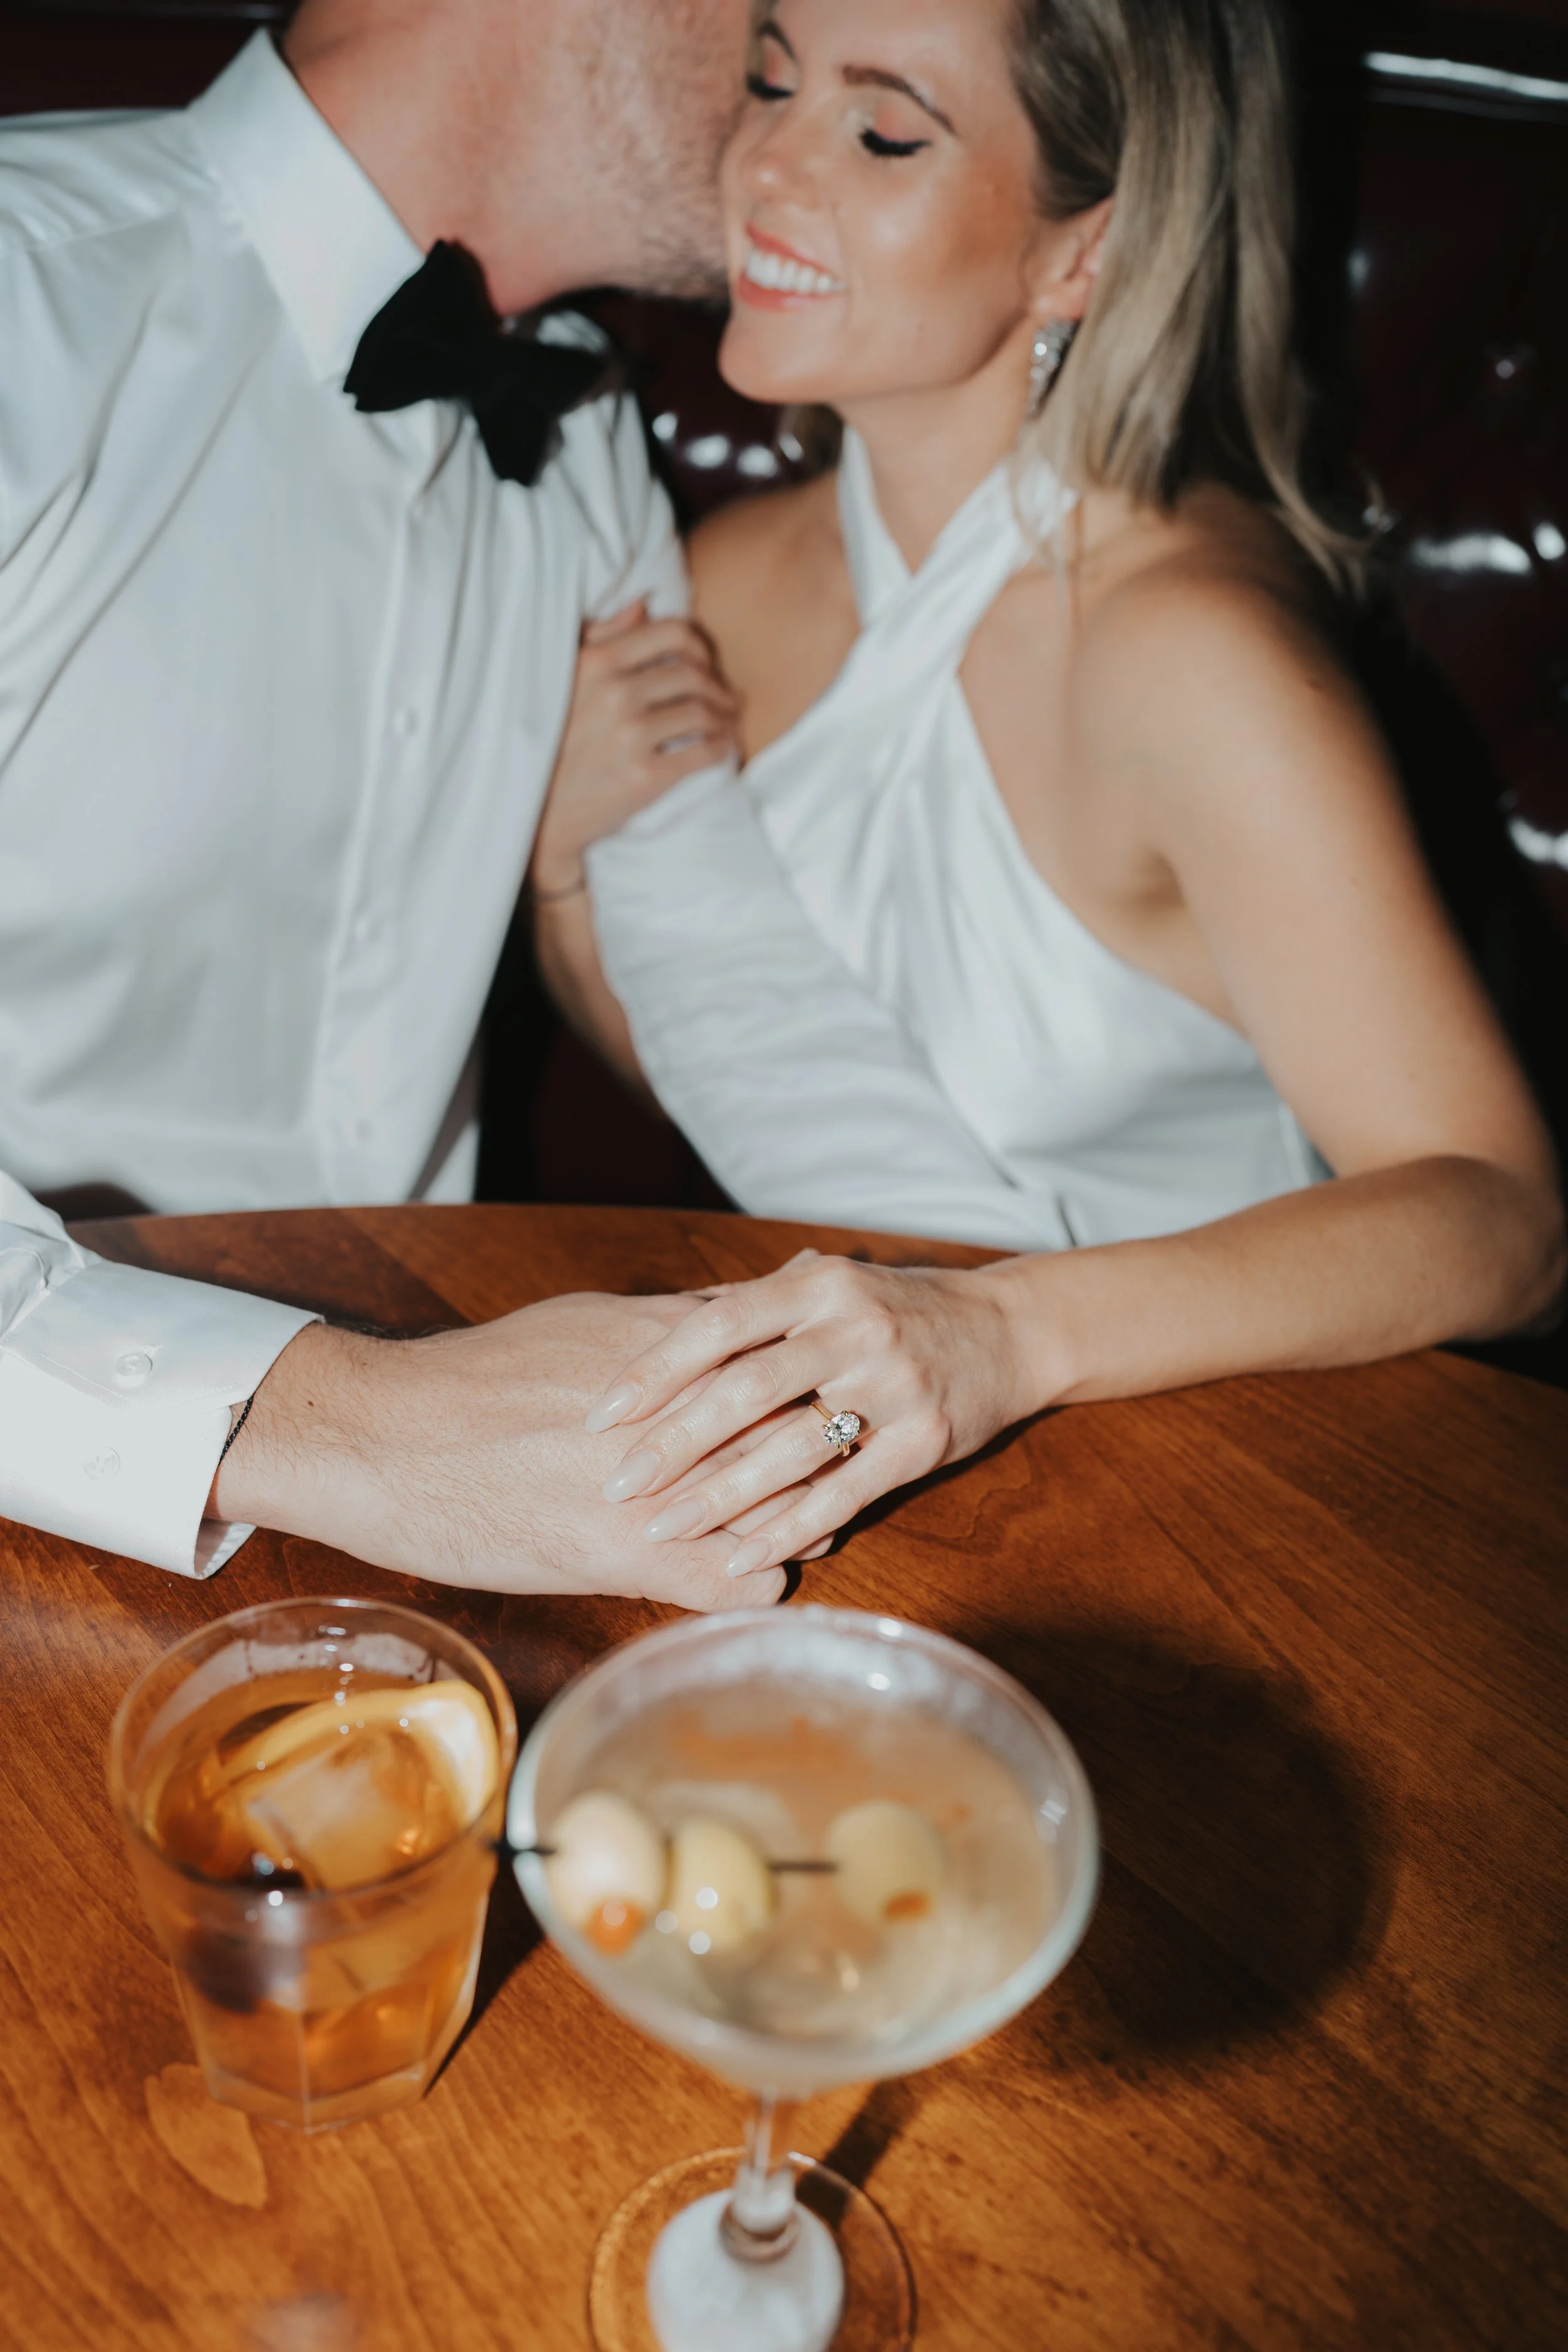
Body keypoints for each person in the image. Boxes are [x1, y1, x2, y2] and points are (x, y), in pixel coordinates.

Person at [532, 0, 1566, 1580]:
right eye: (769, 79)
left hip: (1261, 1508)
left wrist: (990, 1335)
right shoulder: (718, 593)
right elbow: (740, 1056)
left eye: (881, 130)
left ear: (1081, 253)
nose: (763, 167)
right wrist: (561, 865)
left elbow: (1501, 1216)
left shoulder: (1178, 652)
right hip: (884, 1512)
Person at [0, 0, 817, 1608]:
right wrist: (349, 1427)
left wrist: (1018, 1308)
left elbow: (738, 993)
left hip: (404, 1568)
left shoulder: (577, 437)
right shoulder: (25, 299)